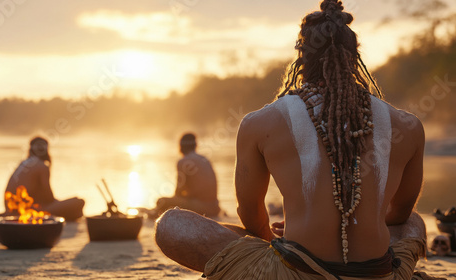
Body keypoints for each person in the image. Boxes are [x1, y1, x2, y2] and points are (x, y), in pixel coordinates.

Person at [155, 1, 433, 279]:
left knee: (171, 224)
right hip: (379, 275)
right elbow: (399, 215)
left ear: (302, 57)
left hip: (292, 273)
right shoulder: (408, 126)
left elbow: (251, 214)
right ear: (354, 57)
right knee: (415, 223)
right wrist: (349, 223)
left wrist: (285, 236)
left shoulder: (259, 123)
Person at [0, 137, 85, 221]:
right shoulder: (42, 166)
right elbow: (49, 196)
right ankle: (5, 216)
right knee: (78, 202)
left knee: (71, 206)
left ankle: (2, 215)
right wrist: (59, 204)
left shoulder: (24, 163)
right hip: (25, 210)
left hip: (12, 207)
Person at [149, 133, 221, 218]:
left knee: (161, 201)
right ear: (195, 146)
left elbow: (179, 192)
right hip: (215, 207)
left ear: (181, 147)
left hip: (201, 208)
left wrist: (162, 206)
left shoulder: (183, 162)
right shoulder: (204, 159)